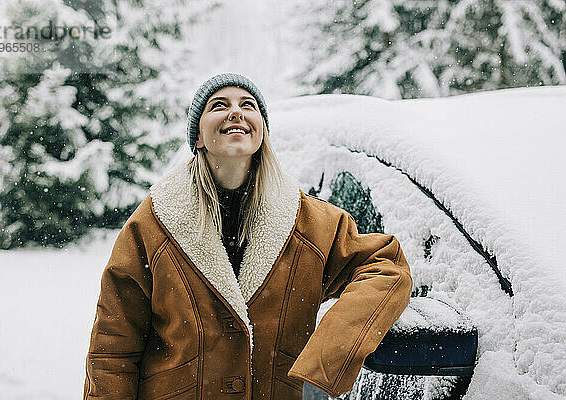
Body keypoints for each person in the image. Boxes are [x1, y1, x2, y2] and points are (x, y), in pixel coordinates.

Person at [83, 73, 413, 400]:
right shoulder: (153, 225)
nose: (236, 112)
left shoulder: (309, 223)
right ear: (198, 136)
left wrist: (330, 353)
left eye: (248, 104)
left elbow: (386, 265)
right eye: (218, 105)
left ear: (261, 132)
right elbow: (113, 350)